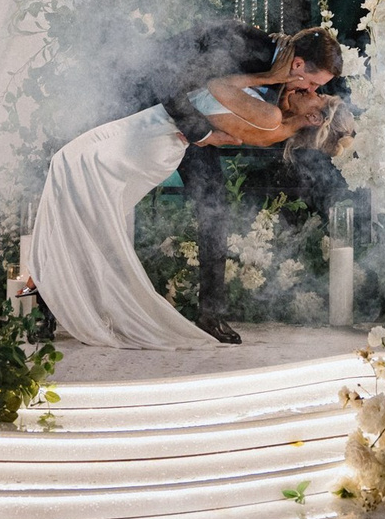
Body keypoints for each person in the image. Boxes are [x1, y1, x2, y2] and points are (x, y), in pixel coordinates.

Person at [25, 49, 349, 350]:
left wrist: (267, 78)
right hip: (163, 128)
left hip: (163, 131)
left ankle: (50, 287)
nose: (309, 89)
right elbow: (218, 114)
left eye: (316, 94)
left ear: (314, 119)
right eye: (314, 86)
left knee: (75, 174)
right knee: (85, 194)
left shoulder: (272, 118)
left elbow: (215, 92)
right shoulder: (274, 108)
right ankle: (50, 288)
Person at [146, 22, 344, 343]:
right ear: (297, 65)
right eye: (312, 84)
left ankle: (211, 314)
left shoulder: (280, 78)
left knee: (215, 207)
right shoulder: (245, 45)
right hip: (155, 103)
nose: (310, 91)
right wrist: (202, 134)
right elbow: (170, 77)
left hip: (192, 123)